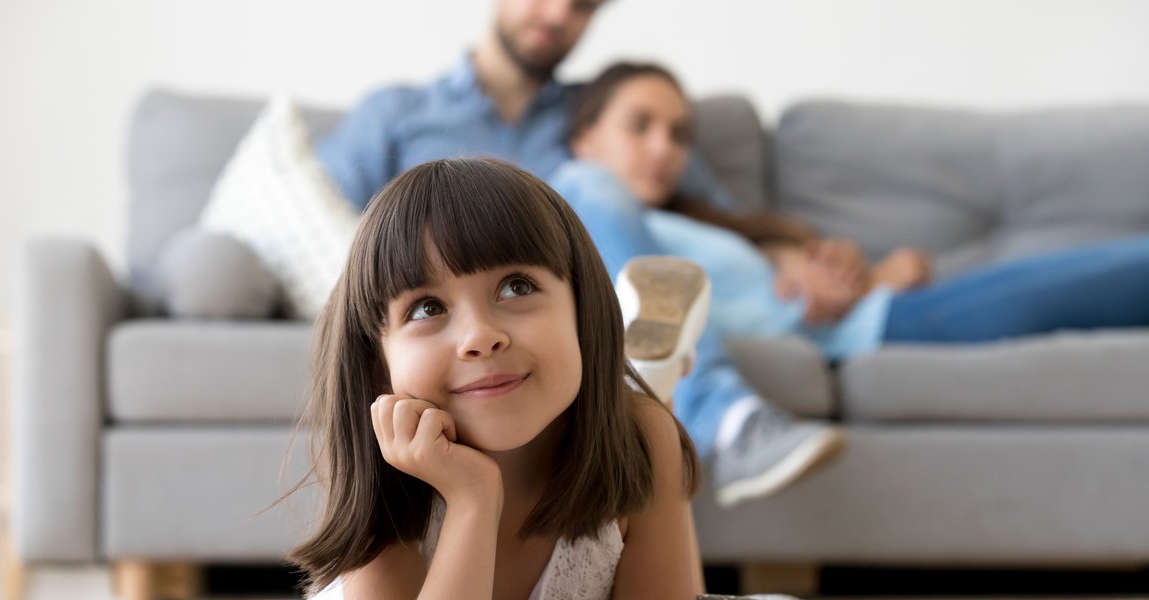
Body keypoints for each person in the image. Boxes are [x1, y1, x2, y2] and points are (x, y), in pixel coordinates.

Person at [318, 0, 846, 507]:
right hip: (449, 315)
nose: (556, 15)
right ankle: (717, 413)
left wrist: (784, 252)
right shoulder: (396, 112)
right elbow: (318, 219)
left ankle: (686, 393)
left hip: (568, 301)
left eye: (582, 5)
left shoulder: (603, 115)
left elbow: (708, 212)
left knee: (587, 183)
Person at [290, 158, 703, 599]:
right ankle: (650, 364)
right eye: (428, 308)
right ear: (378, 362)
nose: (480, 338)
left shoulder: (642, 438)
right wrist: (473, 501)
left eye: (517, 287)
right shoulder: (387, 492)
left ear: (584, 309)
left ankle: (645, 368)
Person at [555, 60, 1149, 362]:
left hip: (892, 309)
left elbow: (846, 280)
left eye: (679, 134)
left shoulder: (698, 223)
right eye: (641, 126)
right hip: (879, 331)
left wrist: (853, 273)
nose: (665, 148)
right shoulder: (589, 212)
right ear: (585, 136)